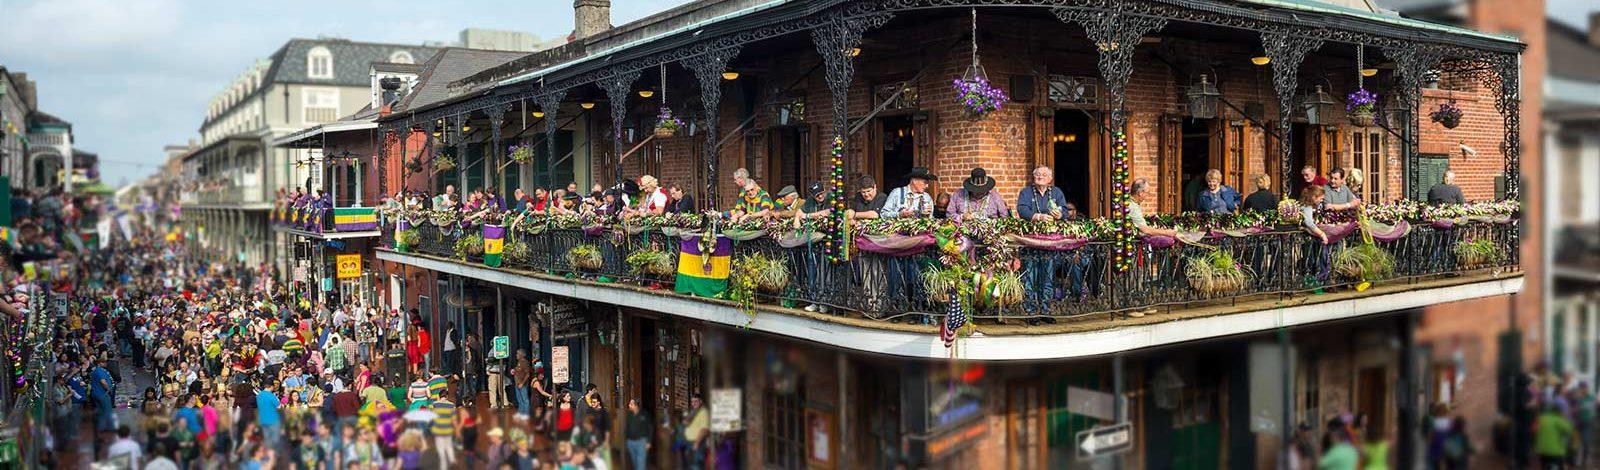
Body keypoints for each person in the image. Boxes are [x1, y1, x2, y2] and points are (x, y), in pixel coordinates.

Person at [1017, 166, 1069, 315]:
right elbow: (1022, 210)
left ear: (1050, 179)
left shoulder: (1057, 192)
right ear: (1034, 177)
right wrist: (1038, 217)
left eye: (1044, 174)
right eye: (1037, 174)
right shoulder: (1026, 192)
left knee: (1047, 277)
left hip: (1049, 243)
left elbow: (1065, 210)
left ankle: (1045, 310)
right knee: (1030, 277)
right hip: (1031, 242)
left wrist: (1059, 215)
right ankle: (1031, 311)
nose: (1040, 176)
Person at [1534, 402, 1576, 469]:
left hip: (1541, 450)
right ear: (1560, 412)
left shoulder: (1541, 418)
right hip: (1556, 452)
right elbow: (1570, 431)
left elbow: (1534, 431)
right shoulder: (1559, 420)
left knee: (1545, 466)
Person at [625, 399, 652, 470]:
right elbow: (627, 427)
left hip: (641, 442)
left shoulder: (644, 414)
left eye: (631, 404)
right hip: (630, 442)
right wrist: (627, 439)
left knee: (640, 464)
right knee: (635, 463)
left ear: (636, 406)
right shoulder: (629, 414)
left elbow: (650, 428)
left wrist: (649, 441)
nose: (629, 405)